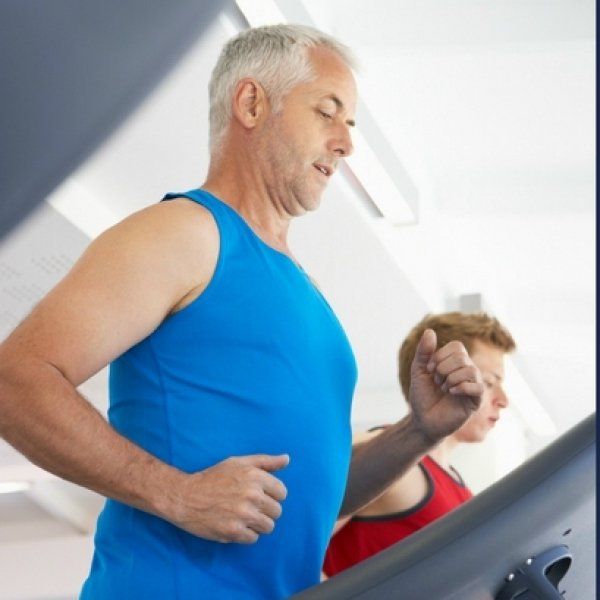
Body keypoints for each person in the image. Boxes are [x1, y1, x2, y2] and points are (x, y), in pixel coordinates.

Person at [0, 25, 486, 599]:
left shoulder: (304, 291)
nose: (346, 143)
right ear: (252, 103)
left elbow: (310, 501)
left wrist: (417, 431)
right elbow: (16, 380)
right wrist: (176, 493)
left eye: (351, 125)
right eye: (327, 113)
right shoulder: (186, 233)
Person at [323, 311, 516, 578]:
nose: (503, 400)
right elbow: (293, 537)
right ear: (442, 375)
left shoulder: (462, 493)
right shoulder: (381, 452)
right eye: (489, 382)